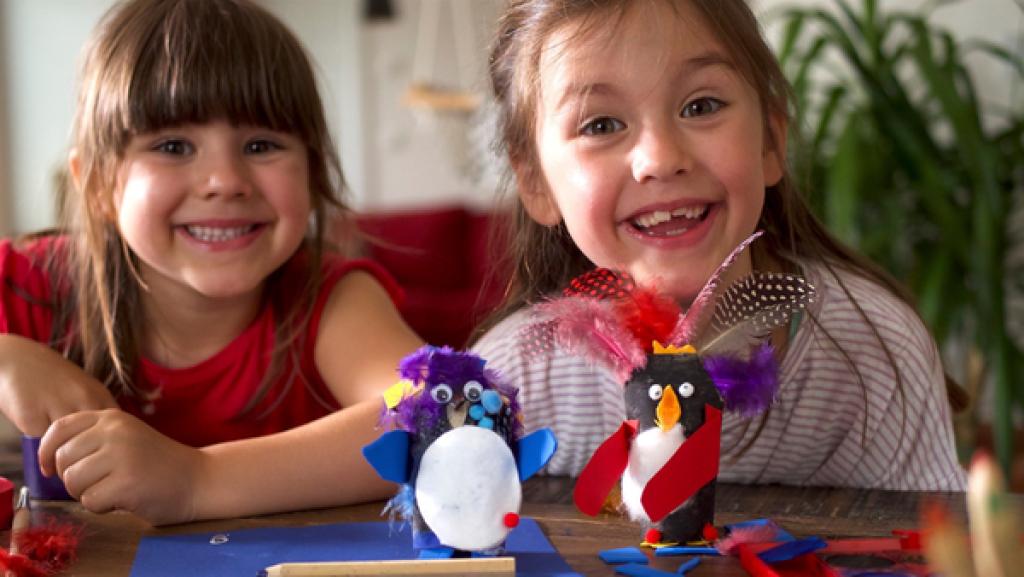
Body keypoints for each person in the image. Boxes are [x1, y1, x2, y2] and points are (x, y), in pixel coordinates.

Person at [473, 0, 966, 491]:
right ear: (535, 182)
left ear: (770, 142)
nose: (660, 159)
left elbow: (938, 537)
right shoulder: (509, 384)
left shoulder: (874, 352)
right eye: (600, 125)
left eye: (701, 106)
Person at [0, 0, 423, 525]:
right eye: (174, 146)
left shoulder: (330, 299)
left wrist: (198, 479)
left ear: (312, 175)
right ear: (99, 185)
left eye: (261, 145)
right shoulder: (31, 281)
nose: (225, 181)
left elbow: (439, 414)